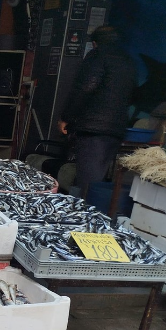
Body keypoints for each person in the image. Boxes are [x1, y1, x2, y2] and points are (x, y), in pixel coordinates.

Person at [58, 25, 138, 199]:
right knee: (97, 177)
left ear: (94, 43)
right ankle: (82, 208)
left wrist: (66, 117)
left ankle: (82, 212)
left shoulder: (97, 56)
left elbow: (85, 88)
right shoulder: (128, 61)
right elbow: (133, 95)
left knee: (87, 181)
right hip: (116, 130)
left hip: (93, 129)